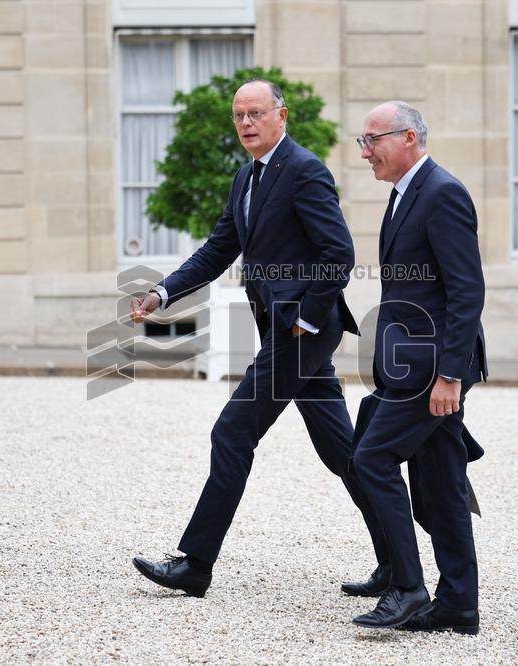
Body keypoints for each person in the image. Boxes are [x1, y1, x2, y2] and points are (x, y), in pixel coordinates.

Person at [128, 79, 388, 598]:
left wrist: (306, 320)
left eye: (256, 113)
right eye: (238, 115)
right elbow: (217, 249)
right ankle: (399, 565)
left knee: (231, 433)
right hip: (286, 332)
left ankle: (195, 564)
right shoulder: (246, 178)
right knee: (345, 455)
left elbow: (338, 254)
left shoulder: (305, 170)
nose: (246, 123)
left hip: (299, 334)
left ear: (281, 116)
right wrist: (162, 292)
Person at [349, 101, 488, 633]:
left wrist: (449, 375)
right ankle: (458, 605)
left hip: (430, 370)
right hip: (410, 366)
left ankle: (407, 588)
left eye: (373, 140)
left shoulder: (442, 192)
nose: (366, 152)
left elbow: (466, 290)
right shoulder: (403, 194)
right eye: (362, 141)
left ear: (408, 137)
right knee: (441, 484)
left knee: (371, 458)